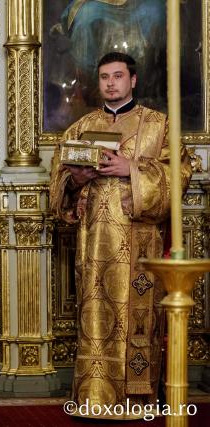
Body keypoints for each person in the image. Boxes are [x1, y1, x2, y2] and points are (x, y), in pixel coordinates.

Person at [49, 52, 192, 418]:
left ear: (133, 80)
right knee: (95, 319)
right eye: (104, 77)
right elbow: (59, 181)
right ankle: (92, 397)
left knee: (136, 323)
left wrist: (132, 169)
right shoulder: (80, 128)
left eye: (117, 76)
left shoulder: (159, 126)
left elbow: (181, 175)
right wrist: (75, 180)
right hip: (93, 244)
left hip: (138, 245)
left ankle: (137, 400)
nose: (110, 83)